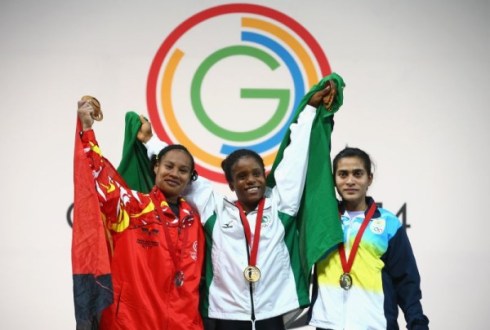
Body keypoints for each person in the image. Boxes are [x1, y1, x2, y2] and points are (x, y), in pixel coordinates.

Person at [138, 75, 345, 330]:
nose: (251, 181)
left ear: (264, 176)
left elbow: (296, 156)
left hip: (273, 311)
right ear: (231, 184)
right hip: (226, 315)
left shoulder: (281, 204)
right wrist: (150, 142)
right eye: (242, 176)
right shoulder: (214, 209)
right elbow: (178, 170)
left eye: (257, 174)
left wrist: (310, 109)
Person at [75, 99, 205, 330]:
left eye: (183, 170)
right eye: (168, 166)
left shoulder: (194, 220)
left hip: (184, 324)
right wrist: (87, 131)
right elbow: (98, 177)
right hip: (131, 323)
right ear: (155, 167)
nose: (174, 174)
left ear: (190, 178)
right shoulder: (132, 206)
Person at [308, 147, 430, 329]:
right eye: (343, 174)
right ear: (333, 180)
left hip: (375, 324)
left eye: (358, 174)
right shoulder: (322, 220)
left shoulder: (388, 223)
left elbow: (406, 280)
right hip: (327, 324)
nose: (350, 181)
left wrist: (417, 322)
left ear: (369, 179)